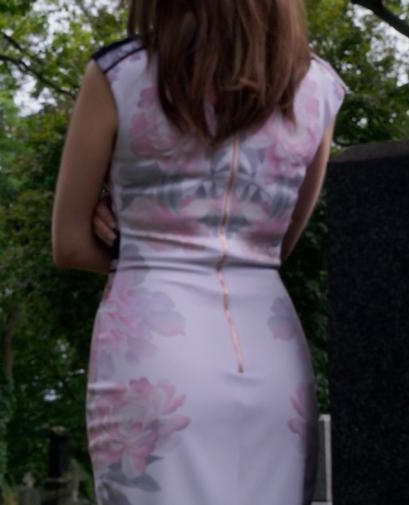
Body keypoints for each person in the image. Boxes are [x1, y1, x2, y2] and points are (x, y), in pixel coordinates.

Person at [51, 1, 345, 503]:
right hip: (270, 349)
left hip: (153, 349)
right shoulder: (317, 87)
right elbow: (282, 241)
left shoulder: (120, 74)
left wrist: (137, 242)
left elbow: (71, 243)